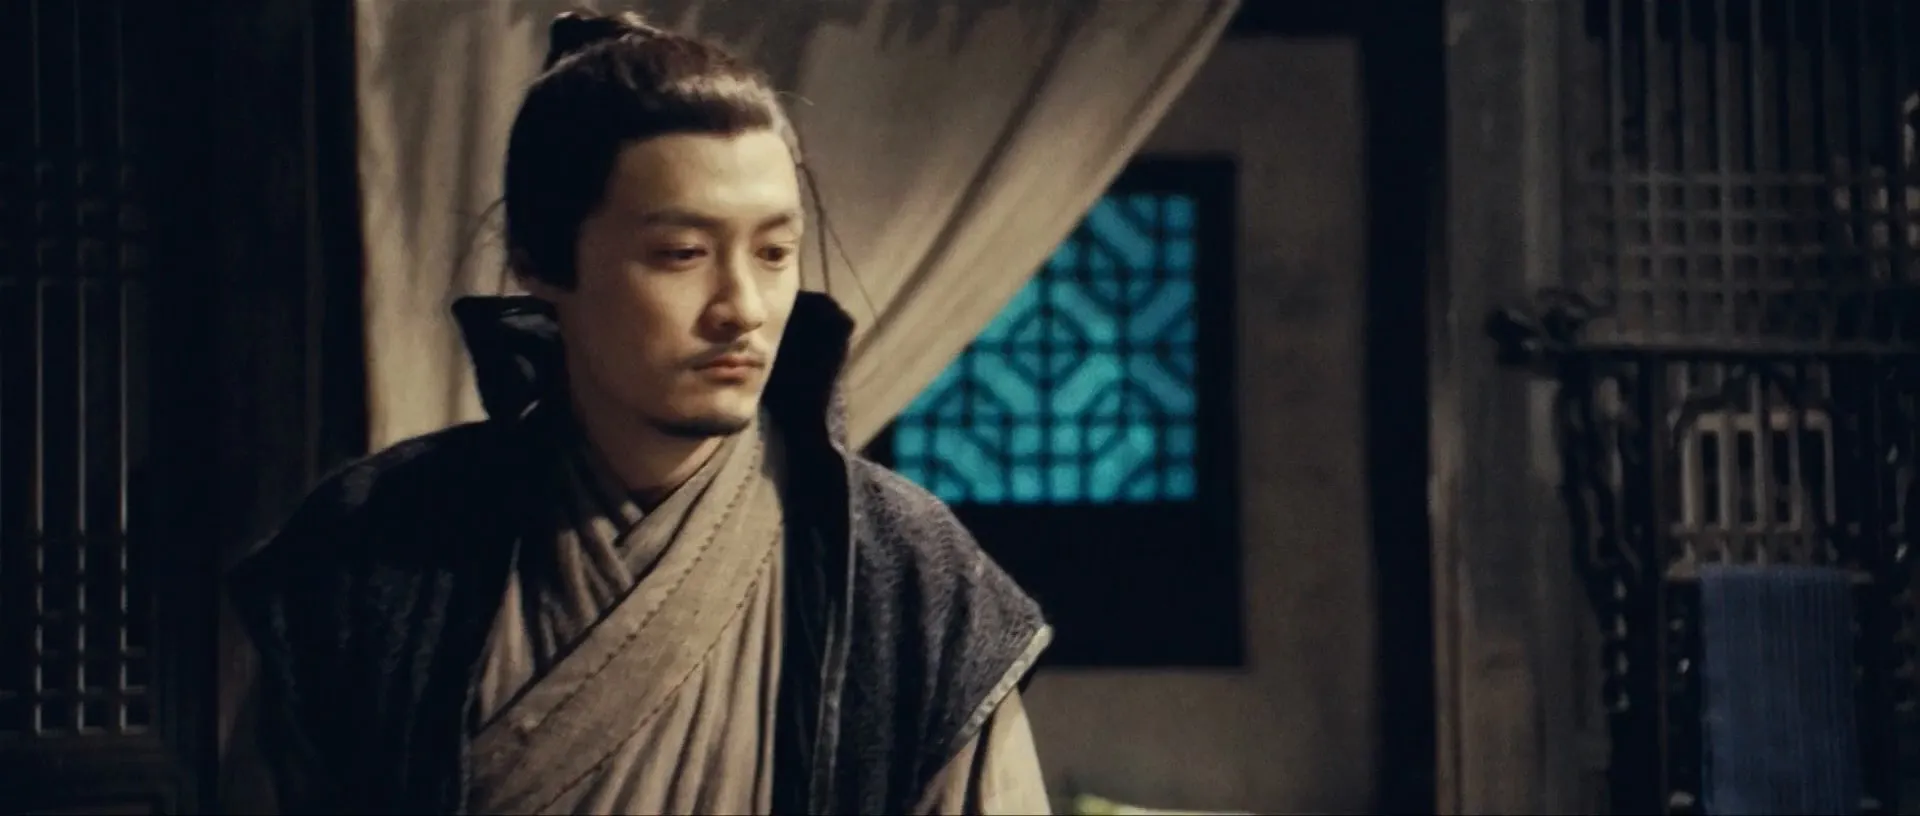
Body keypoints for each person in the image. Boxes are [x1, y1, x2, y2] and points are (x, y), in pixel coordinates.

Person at [220, 9, 1053, 815]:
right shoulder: (373, 548)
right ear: (540, 261)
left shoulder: (908, 574)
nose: (743, 307)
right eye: (681, 253)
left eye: (774, 253)